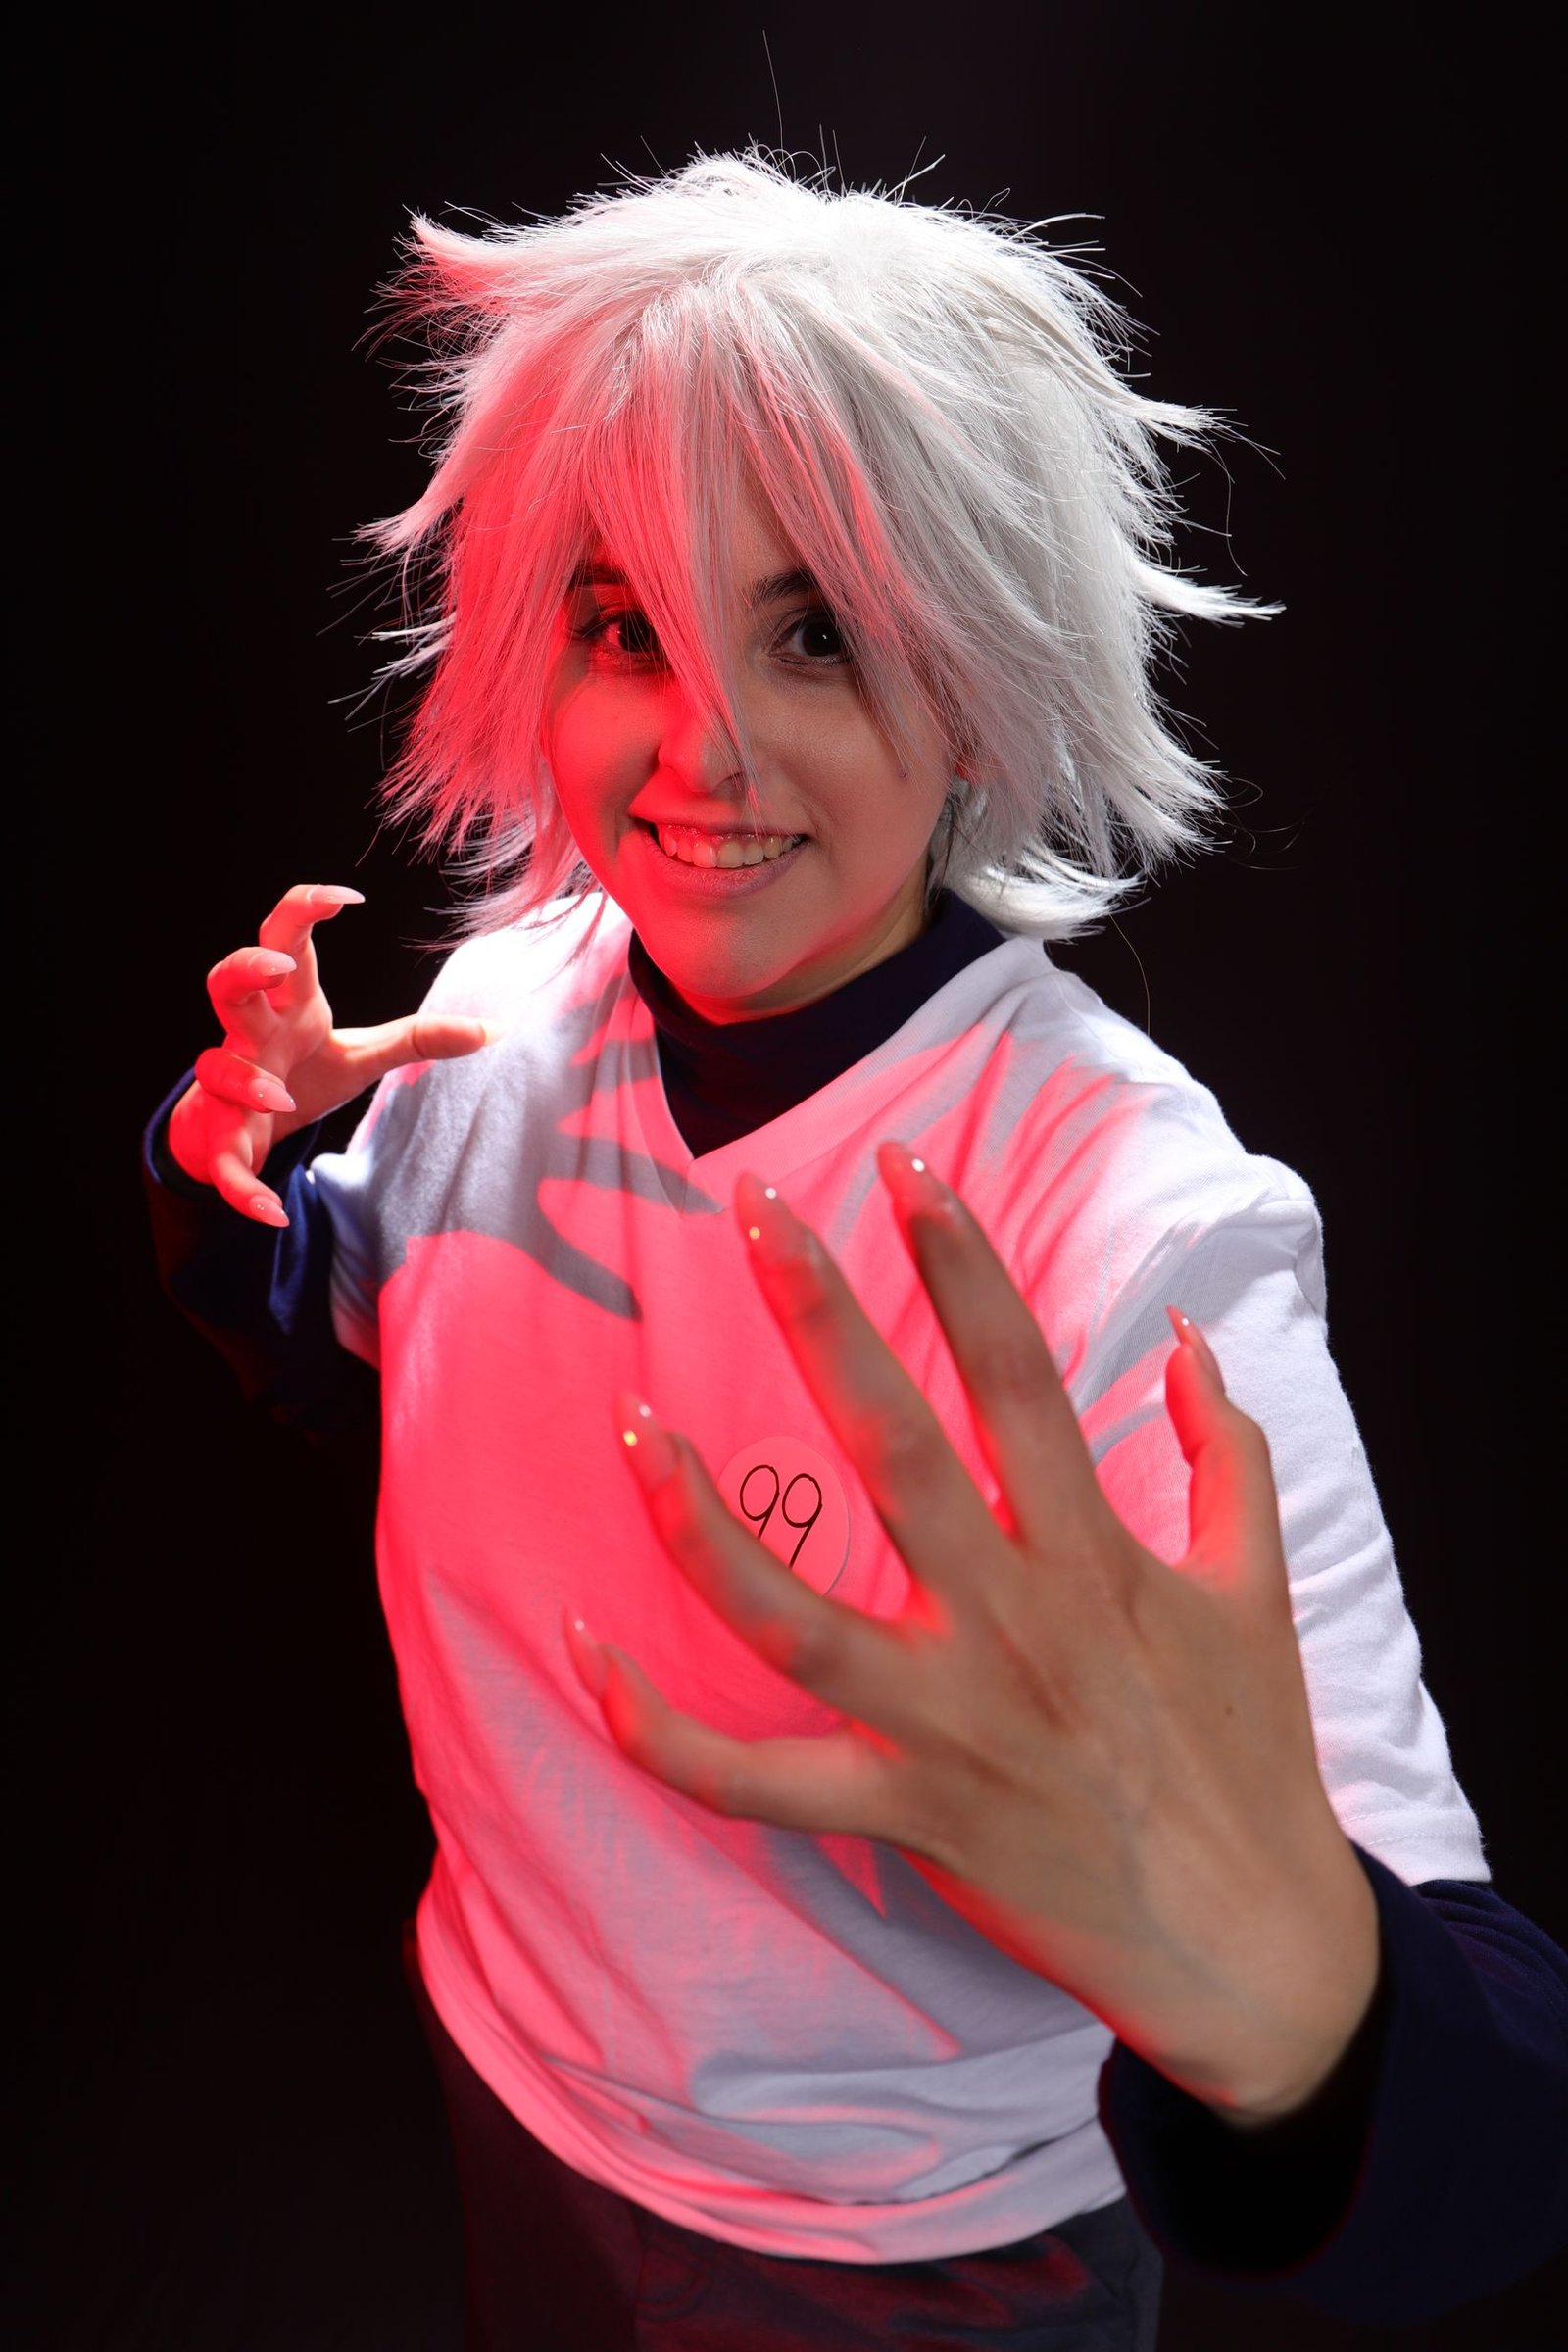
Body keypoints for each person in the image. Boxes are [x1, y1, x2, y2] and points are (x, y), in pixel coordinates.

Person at [143, 149, 1567, 2349]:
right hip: (518, 2079)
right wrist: (227, 1180)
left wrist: (1298, 2014)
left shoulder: (1129, 1217)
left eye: (814, 632)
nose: (704, 746)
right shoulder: (506, 1004)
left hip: (922, 2258)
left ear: (978, 675)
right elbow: (361, 1344)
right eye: (628, 625)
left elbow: (1486, 2069)